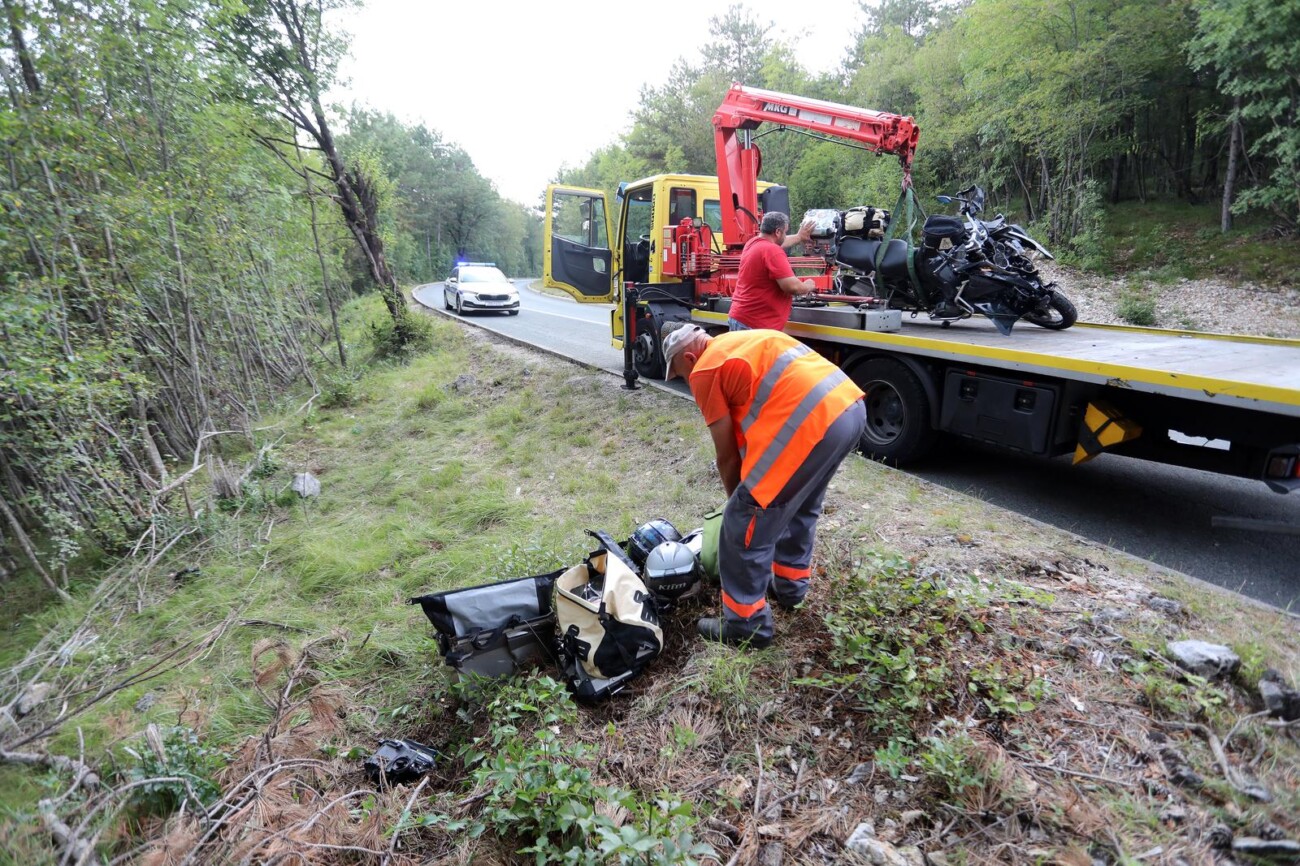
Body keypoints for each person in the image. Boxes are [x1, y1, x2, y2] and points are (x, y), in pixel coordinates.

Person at [660, 322, 866, 649]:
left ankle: (746, 627)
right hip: (848, 409)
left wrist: (738, 508)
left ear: (689, 356)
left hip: (809, 423)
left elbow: (726, 456)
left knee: (742, 525)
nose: (686, 381)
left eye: (681, 374)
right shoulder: (741, 342)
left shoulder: (705, 369)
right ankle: (789, 588)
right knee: (801, 505)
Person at [727, 212, 818, 332]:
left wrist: (799, 237)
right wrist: (808, 285)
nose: (785, 236)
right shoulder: (772, 251)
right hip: (755, 325)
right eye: (785, 232)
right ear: (778, 232)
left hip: (741, 317)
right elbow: (792, 287)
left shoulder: (753, 243)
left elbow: (778, 242)